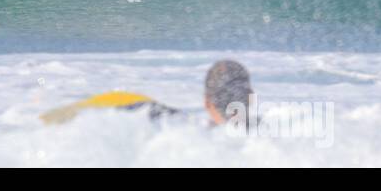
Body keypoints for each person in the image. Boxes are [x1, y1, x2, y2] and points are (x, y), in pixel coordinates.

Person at [40, 59, 253, 126]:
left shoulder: (179, 127)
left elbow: (126, 104)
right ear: (251, 100)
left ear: (207, 102)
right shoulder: (272, 132)